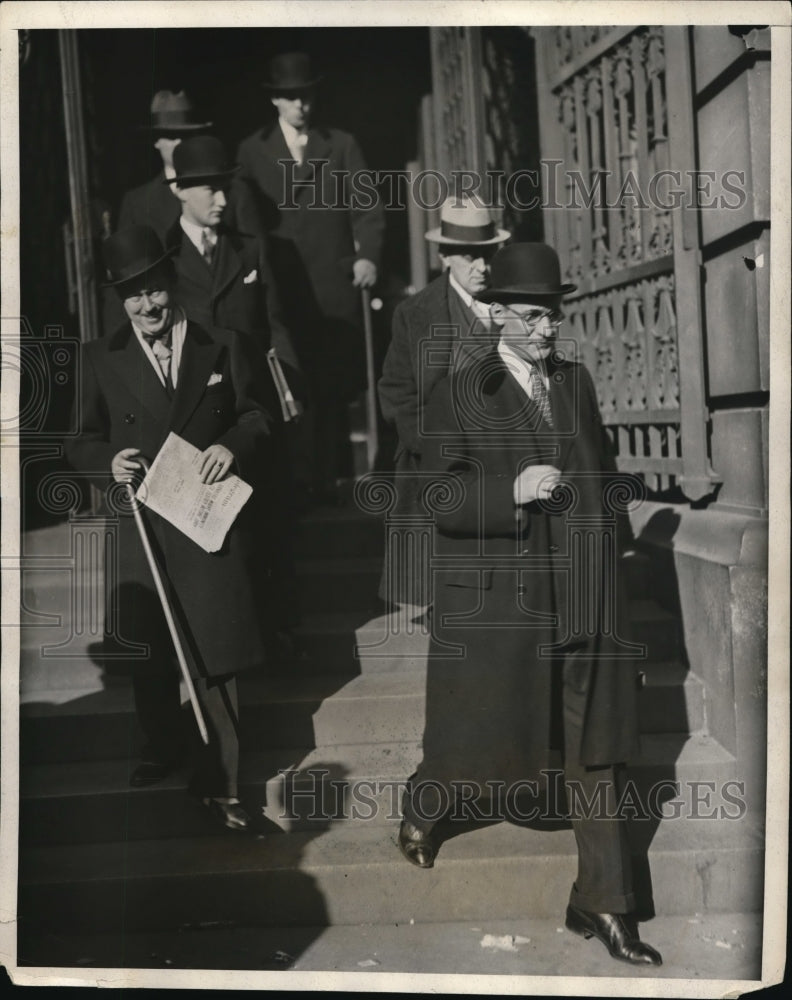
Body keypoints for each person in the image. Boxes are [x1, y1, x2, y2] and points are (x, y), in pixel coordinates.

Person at [397, 242, 662, 966]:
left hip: (583, 597)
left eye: (555, 314)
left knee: (597, 748)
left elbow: (599, 481)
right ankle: (425, 806)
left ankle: (605, 904)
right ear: (499, 315)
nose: (549, 328)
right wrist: (510, 491)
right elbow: (432, 497)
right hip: (503, 600)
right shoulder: (458, 389)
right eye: (535, 315)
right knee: (473, 737)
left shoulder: (574, 384)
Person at [65, 225, 272, 832]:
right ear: (119, 301)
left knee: (217, 652)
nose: (147, 307)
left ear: (170, 285)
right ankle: (162, 747)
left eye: (154, 292)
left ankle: (223, 782)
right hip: (142, 526)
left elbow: (258, 416)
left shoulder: (222, 344)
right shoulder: (100, 358)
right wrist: (107, 463)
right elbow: (78, 441)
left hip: (207, 523)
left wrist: (233, 446)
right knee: (154, 655)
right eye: (133, 298)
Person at [166, 133, 303, 643]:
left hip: (252, 409)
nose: (222, 200)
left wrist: (288, 388)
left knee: (268, 525)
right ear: (180, 191)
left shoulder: (250, 250)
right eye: (209, 190)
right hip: (196, 412)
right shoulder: (165, 257)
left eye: (224, 188)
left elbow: (275, 325)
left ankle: (280, 639)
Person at [237, 51, 385, 505]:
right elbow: (246, 221)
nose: (300, 105)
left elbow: (368, 209)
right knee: (289, 383)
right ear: (275, 101)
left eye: (306, 96)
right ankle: (297, 483)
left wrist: (368, 258)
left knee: (334, 386)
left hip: (332, 287)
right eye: (290, 97)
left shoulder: (340, 144)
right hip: (281, 288)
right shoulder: (252, 151)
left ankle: (335, 481)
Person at [377, 196, 509, 608]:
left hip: (501, 454)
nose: (482, 267)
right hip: (434, 456)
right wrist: (433, 447)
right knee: (444, 577)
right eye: (470, 256)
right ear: (444, 256)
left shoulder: (510, 302)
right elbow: (396, 390)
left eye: (488, 255)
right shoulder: (415, 312)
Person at [118, 90, 261, 242]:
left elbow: (257, 255)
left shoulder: (236, 194)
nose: (180, 143)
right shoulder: (137, 203)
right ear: (156, 141)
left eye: (186, 135)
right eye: (171, 136)